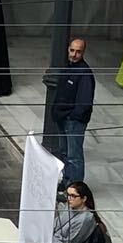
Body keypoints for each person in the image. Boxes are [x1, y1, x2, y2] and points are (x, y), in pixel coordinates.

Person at [48, 36, 94, 183]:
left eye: (78, 52)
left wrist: (72, 116)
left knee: (74, 156)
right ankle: (68, 182)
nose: (74, 54)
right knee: (65, 153)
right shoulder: (68, 67)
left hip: (73, 121)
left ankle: (74, 187)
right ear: (68, 49)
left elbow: (85, 102)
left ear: (83, 53)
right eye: (72, 50)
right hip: (65, 119)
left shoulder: (85, 73)